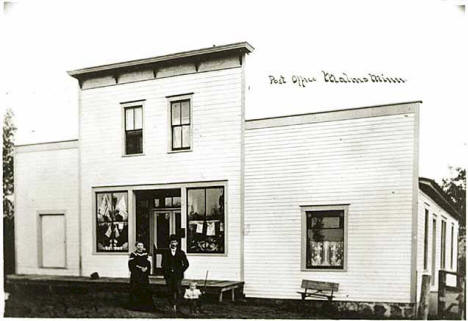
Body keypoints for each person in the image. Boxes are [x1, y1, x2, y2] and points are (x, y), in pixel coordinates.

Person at [161, 234, 189, 313]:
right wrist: (166, 272)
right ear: (170, 243)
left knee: (178, 290)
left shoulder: (181, 252)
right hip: (169, 275)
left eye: (175, 242)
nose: (173, 244)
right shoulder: (166, 252)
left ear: (177, 243)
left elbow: (186, 264)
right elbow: (163, 264)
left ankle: (178, 306)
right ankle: (171, 305)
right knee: (170, 291)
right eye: (172, 242)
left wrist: (180, 271)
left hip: (178, 275)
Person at [128, 241, 154, 312]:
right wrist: (139, 269)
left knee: (145, 289)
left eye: (141, 245)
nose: (140, 247)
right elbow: (131, 265)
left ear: (143, 247)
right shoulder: (133, 254)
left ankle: (145, 306)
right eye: (138, 245)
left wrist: (146, 268)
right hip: (136, 275)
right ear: (136, 246)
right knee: (136, 289)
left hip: (144, 276)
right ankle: (136, 306)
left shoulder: (146, 254)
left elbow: (148, 263)